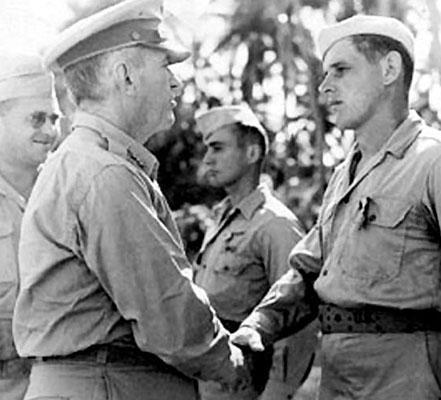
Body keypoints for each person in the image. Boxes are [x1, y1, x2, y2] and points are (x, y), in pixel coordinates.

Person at [232, 14, 441, 400]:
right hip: (339, 375)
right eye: (326, 74)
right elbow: (309, 271)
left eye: (341, 70)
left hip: (411, 375)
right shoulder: (345, 175)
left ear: (389, 68)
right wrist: (261, 324)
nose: (325, 86)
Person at [12, 0, 251, 399]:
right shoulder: (104, 173)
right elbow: (171, 320)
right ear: (125, 76)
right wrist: (235, 364)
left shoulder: (86, 163)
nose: (176, 84)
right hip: (106, 384)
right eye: (164, 66)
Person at [194, 105, 318, 400]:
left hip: (247, 389)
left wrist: (276, 393)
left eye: (218, 148)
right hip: (210, 385)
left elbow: (300, 319)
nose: (207, 159)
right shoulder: (223, 218)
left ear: (251, 154)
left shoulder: (274, 225)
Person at [0, 51, 58, 400]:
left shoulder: (67, 191)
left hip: (58, 383)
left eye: (54, 118)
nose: (50, 131)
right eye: (37, 119)